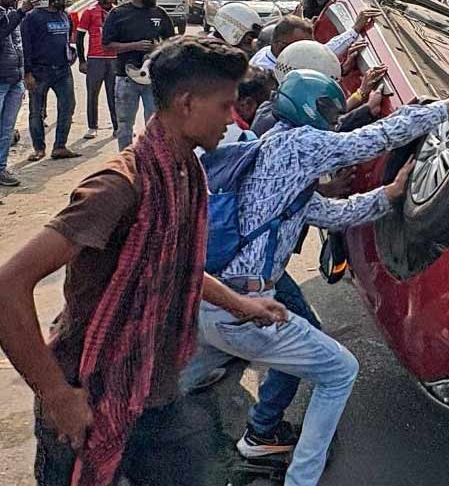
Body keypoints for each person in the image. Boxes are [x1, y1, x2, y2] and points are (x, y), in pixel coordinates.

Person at [185, 67, 449, 486]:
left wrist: (389, 194)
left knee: (179, 382)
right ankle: (301, 479)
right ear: (308, 106)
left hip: (214, 300)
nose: (332, 116)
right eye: (328, 107)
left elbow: (331, 213)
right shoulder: (301, 143)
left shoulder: (274, 148)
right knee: (340, 370)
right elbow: (374, 139)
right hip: (243, 306)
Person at [0, 36, 288, 486]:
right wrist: (56, 394)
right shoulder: (118, 187)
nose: (233, 118)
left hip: (154, 386)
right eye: (225, 105)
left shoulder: (184, 171)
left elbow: (176, 264)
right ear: (187, 103)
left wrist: (241, 304)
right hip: (90, 390)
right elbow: (8, 284)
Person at [102, 0, 175, 151]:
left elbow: (173, 42)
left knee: (155, 124)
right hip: (126, 79)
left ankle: (154, 159)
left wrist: (159, 48)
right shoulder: (118, 14)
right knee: (125, 125)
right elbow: (107, 45)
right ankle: (126, 161)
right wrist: (133, 46)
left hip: (154, 80)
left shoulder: (159, 13)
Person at [21, 0, 79, 161]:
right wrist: (27, 73)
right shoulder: (32, 18)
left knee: (67, 107)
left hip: (62, 70)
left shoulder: (65, 15)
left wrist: (71, 54)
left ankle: (60, 146)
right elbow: (25, 46)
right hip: (39, 71)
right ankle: (39, 148)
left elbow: (67, 38)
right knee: (36, 110)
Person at [252, 8, 381, 71]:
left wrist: (354, 30)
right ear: (280, 46)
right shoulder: (268, 70)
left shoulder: (277, 55)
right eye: (303, 47)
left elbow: (322, 52)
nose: (309, 52)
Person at [0, 0, 33, 186]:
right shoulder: (13, 16)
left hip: (14, 79)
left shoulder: (12, 15)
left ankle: (1, 168)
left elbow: (21, 47)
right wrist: (21, 12)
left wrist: (24, 74)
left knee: (7, 128)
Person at [77, 0, 120, 140]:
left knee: (114, 94)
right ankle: (92, 126)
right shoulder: (89, 12)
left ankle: (117, 127)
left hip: (114, 58)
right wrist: (82, 60)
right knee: (92, 93)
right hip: (95, 58)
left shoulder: (117, 12)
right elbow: (80, 37)